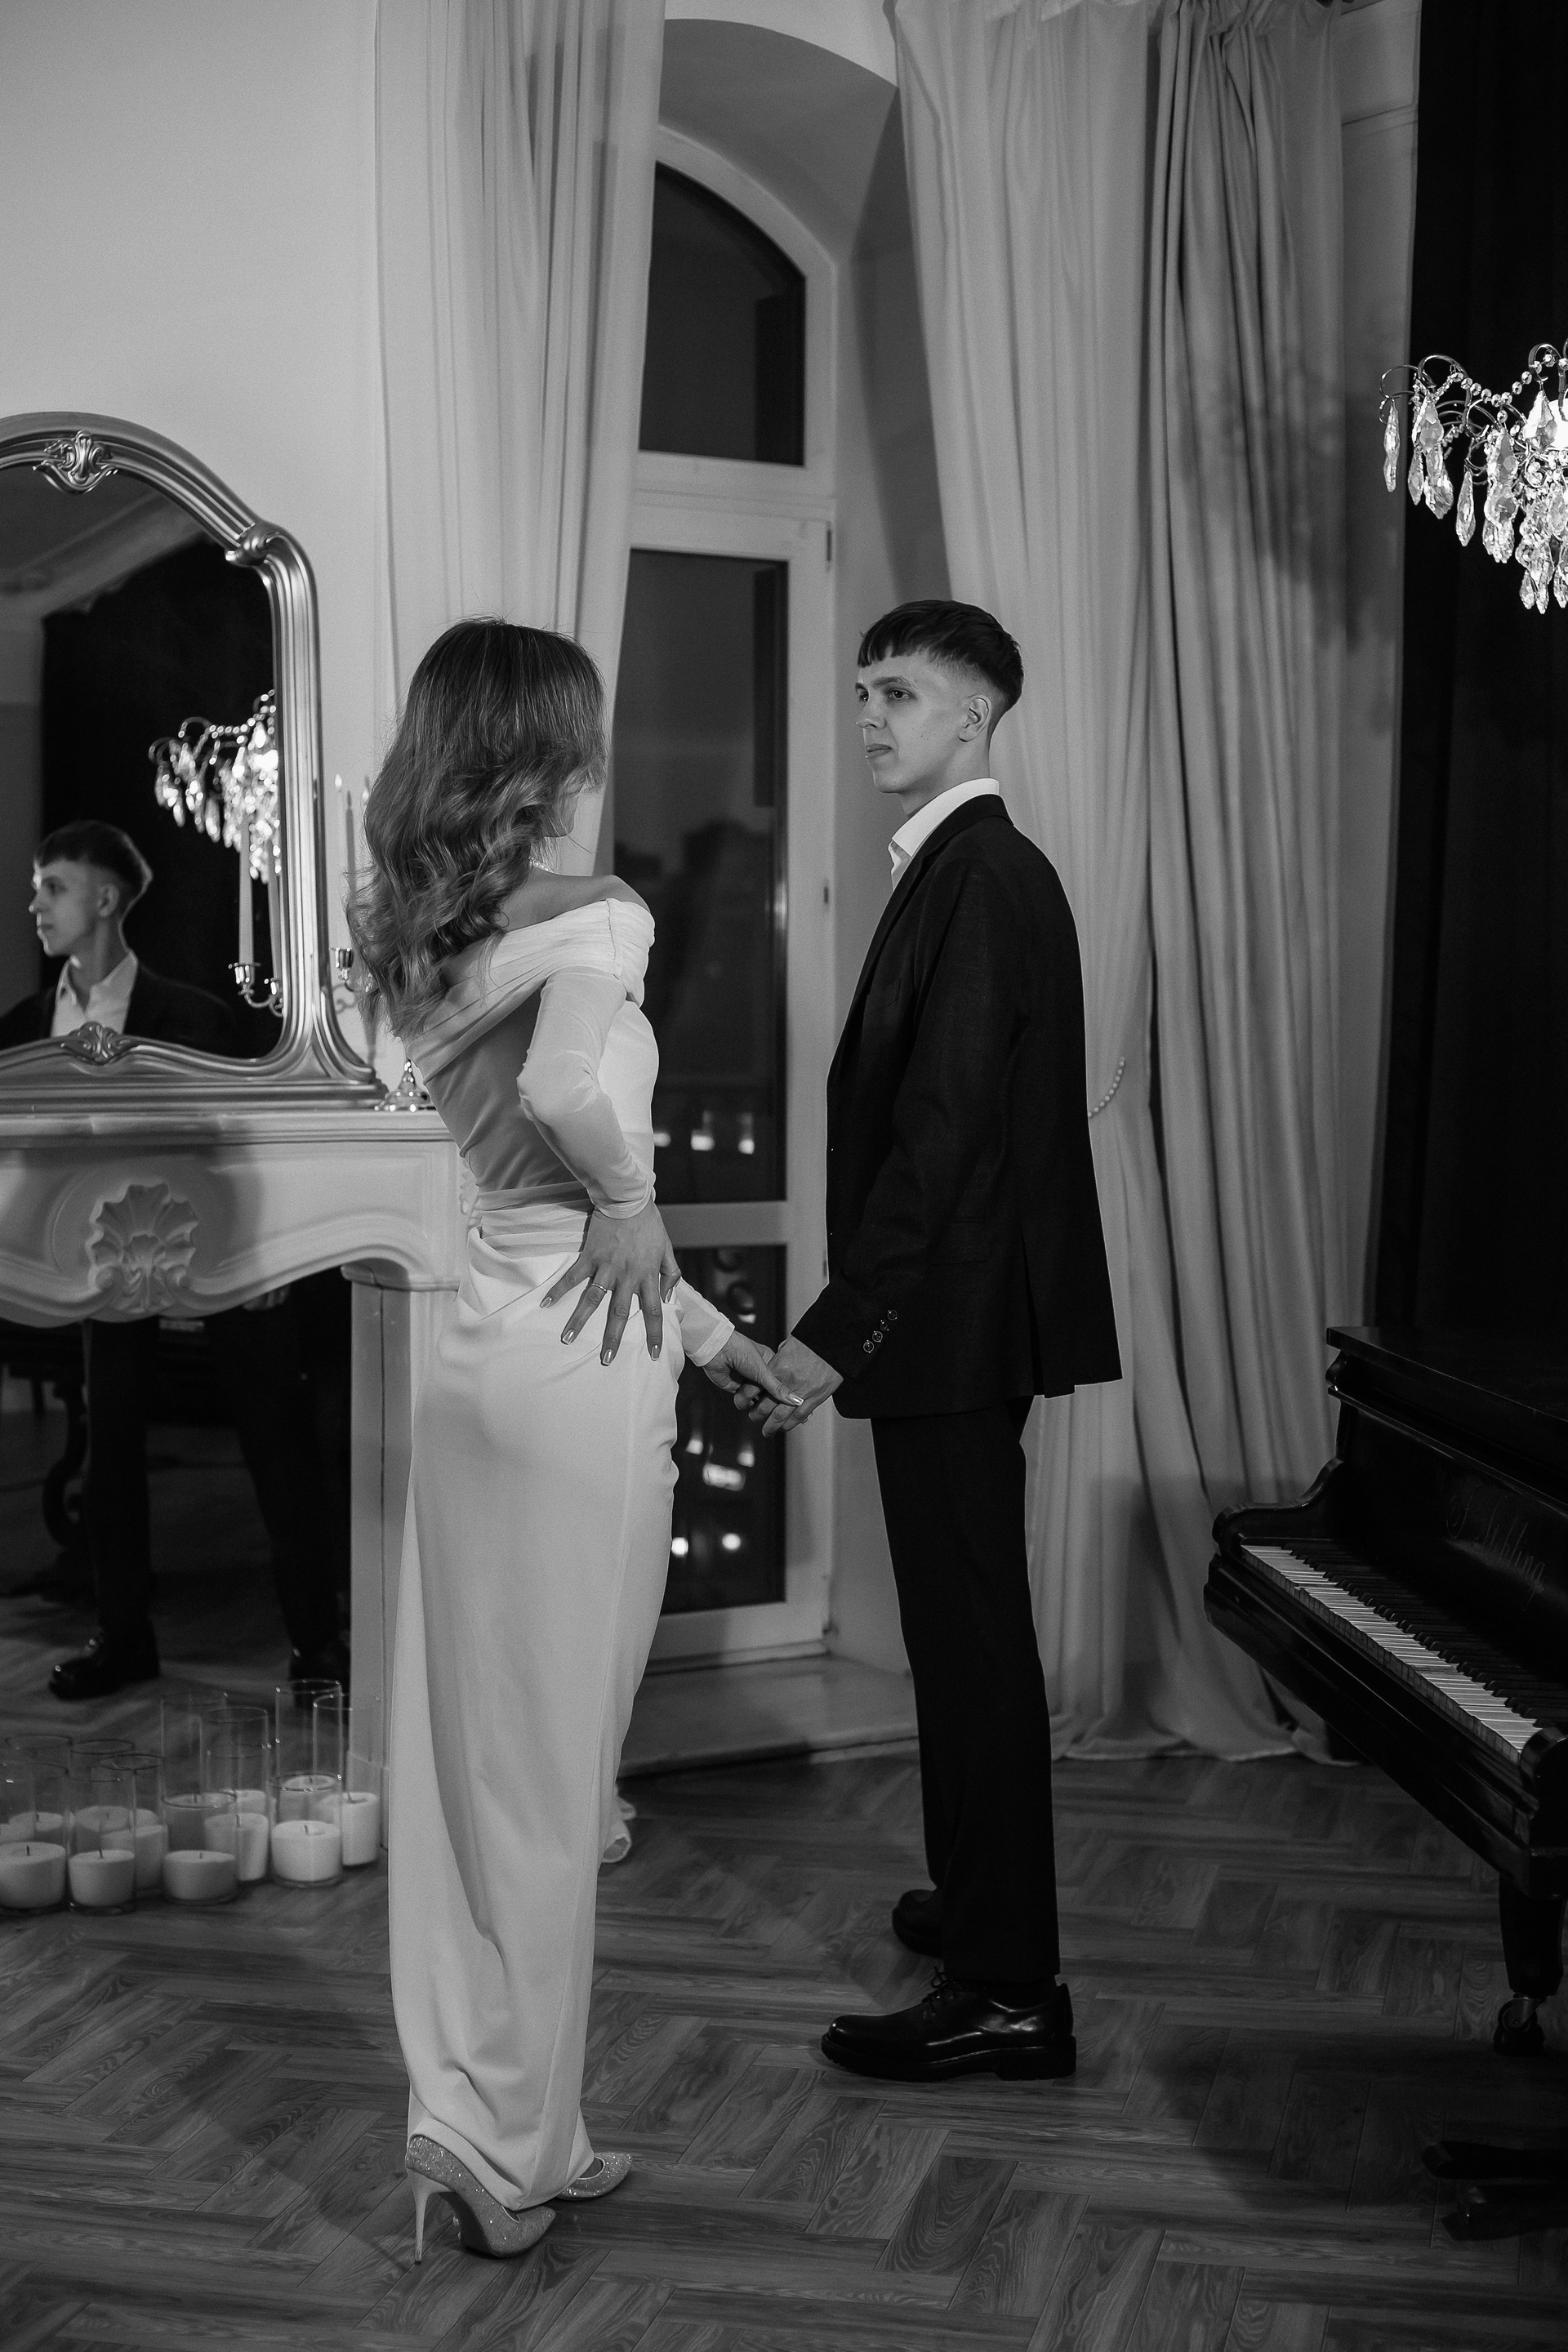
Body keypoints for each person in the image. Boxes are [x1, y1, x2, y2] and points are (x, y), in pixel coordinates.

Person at [350, 617, 798, 2262]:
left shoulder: (423, 936)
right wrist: (632, 1188)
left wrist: (720, 1340)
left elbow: (530, 1184)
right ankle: (496, 2148)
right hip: (571, 1375)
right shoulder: (598, 911)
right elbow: (571, 1101)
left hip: (482, 1346)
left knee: (478, 1762)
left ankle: (498, 2120)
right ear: (552, 746)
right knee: (548, 1777)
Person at [744, 600, 1121, 2085]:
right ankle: (979, 1906)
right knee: (961, 1641)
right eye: (862, 692)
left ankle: (1010, 1989)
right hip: (956, 1319)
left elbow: (948, 1133)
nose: (869, 718)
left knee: (972, 1649)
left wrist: (837, 1334)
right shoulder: (963, 868)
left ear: (975, 715)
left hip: (953, 1324)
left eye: (897, 693)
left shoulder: (981, 875)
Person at [0, 820, 349, 1700]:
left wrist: (266, 1263)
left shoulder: (195, 1016)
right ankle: (123, 1638)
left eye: (53, 887)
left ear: (106, 899)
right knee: (110, 1447)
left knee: (276, 1440)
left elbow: (248, 1148)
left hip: (221, 1252)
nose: (36, 905)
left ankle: (318, 1647)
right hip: (97, 1264)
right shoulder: (24, 1029)